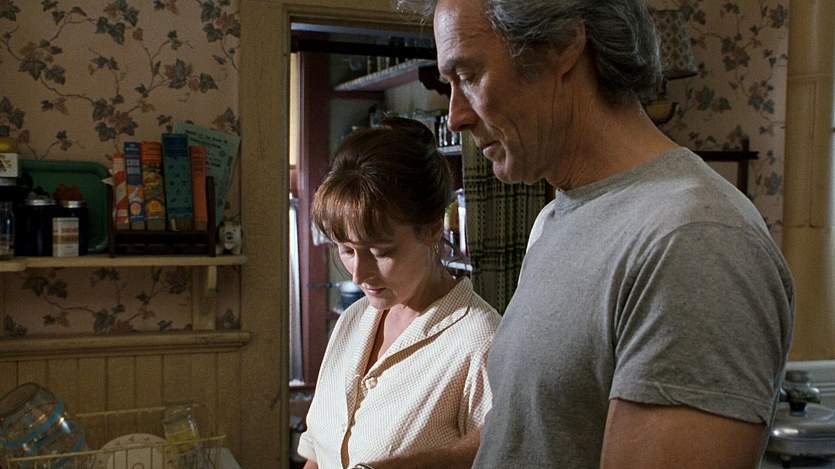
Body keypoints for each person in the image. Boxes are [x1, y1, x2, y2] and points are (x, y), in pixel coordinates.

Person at [392, 0, 795, 467]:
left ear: (563, 42)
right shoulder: (554, 220)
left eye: (468, 75)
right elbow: (535, 432)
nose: (456, 116)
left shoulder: (694, 242)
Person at [297, 116, 500, 469]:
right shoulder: (354, 320)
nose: (358, 274)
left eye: (380, 252)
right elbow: (318, 453)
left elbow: (502, 456)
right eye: (346, 250)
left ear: (432, 229)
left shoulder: (480, 342)